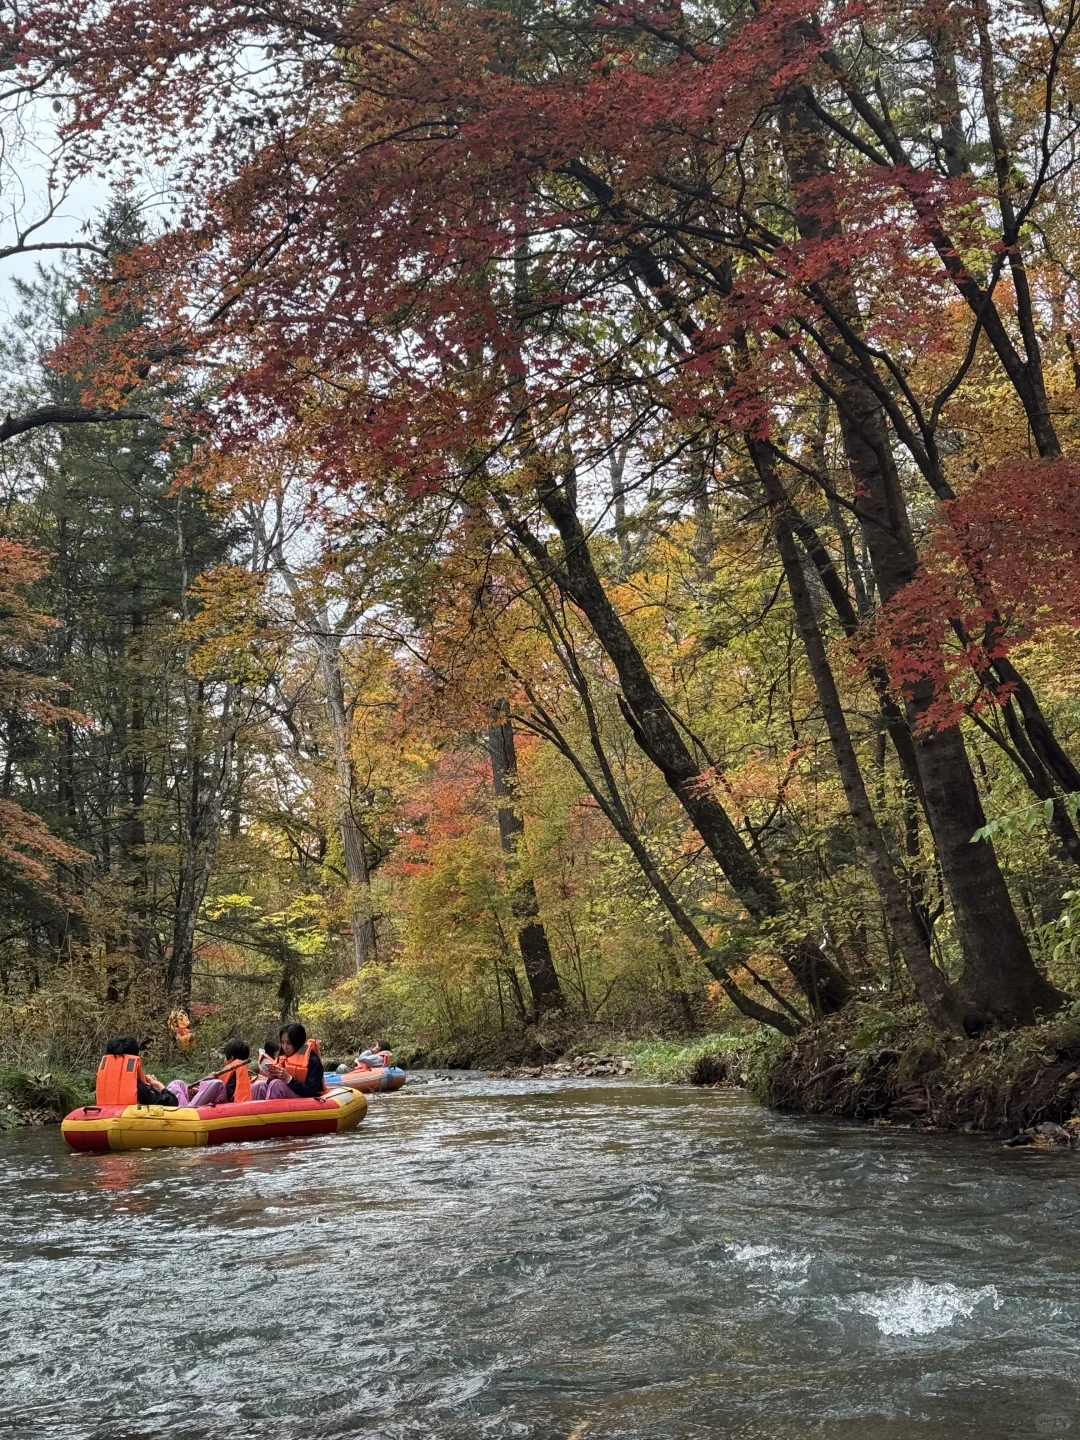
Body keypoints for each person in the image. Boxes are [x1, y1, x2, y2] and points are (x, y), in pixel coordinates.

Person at [96, 1036, 179, 1108]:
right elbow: (171, 1102)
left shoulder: (103, 1083)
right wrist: (158, 1085)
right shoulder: (136, 1086)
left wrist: (147, 1085)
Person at [168, 1039, 253, 1107]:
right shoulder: (236, 1072)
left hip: (226, 1108)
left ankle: (187, 1111)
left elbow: (227, 1095)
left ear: (231, 1058)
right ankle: (178, 1109)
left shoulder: (239, 1070)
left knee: (216, 1083)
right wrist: (199, 1089)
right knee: (178, 1084)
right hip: (214, 1104)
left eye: (225, 1056)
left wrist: (211, 1082)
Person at [252, 1023, 325, 1100]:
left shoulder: (313, 1061)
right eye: (282, 1043)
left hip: (304, 1099)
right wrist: (272, 1077)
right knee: (258, 1086)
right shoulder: (282, 1058)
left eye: (288, 1043)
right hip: (286, 1095)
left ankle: (272, 1111)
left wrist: (289, 1079)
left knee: (276, 1084)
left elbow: (311, 1091)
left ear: (297, 1042)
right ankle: (256, 1111)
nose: (285, 1047)